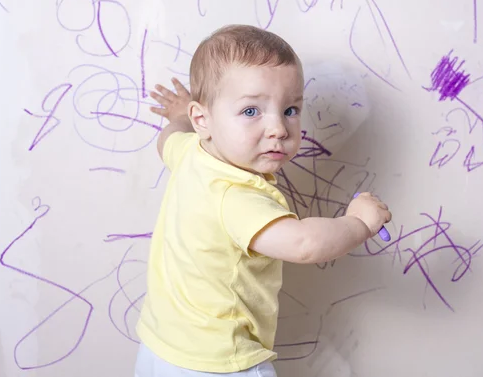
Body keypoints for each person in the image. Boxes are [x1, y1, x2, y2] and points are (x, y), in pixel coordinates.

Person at [134, 24, 392, 377]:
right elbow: (303, 244)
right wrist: (359, 224)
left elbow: (167, 138)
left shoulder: (190, 153)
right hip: (220, 363)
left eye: (290, 110)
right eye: (251, 111)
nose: (279, 129)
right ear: (203, 119)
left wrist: (179, 117)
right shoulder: (236, 195)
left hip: (160, 348)